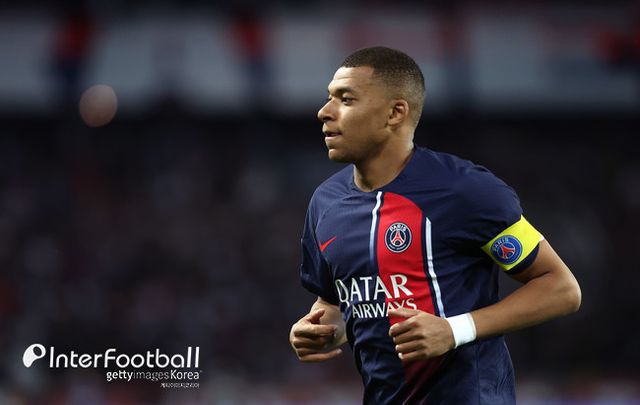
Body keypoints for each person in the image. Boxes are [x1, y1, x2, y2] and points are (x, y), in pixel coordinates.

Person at [288, 46, 582, 404]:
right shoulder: (326, 203)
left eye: (345, 99)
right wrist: (320, 330)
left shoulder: (465, 190)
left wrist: (454, 330)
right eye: (329, 98)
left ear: (395, 113)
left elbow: (561, 288)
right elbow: (337, 303)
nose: (324, 111)